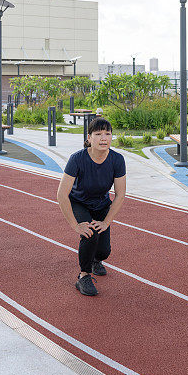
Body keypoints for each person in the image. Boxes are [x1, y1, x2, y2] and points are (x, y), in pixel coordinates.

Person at [57, 117, 126, 296]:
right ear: (89, 138)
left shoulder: (117, 160)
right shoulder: (77, 159)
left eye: (107, 134)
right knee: (89, 233)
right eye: (98, 134)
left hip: (102, 204)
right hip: (79, 202)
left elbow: (120, 195)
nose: (103, 138)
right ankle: (83, 275)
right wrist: (75, 225)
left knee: (104, 251)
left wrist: (106, 222)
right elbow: (61, 194)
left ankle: (97, 260)